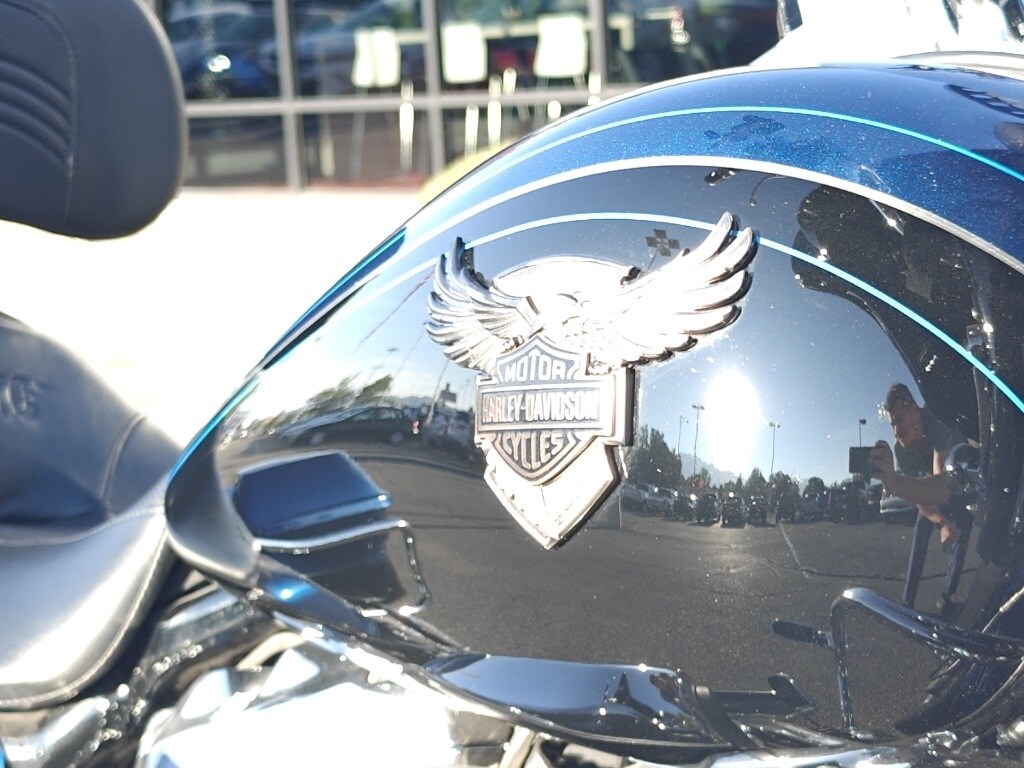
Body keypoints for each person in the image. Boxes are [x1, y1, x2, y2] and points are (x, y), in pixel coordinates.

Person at [870, 383, 972, 616]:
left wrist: (948, 524)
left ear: (915, 412)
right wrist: (940, 522)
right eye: (892, 423)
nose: (896, 430)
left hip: (960, 479)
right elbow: (920, 498)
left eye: (901, 419)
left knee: (962, 524)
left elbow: (944, 486)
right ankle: (907, 603)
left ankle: (947, 596)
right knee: (922, 527)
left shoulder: (936, 419)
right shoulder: (900, 449)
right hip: (933, 485)